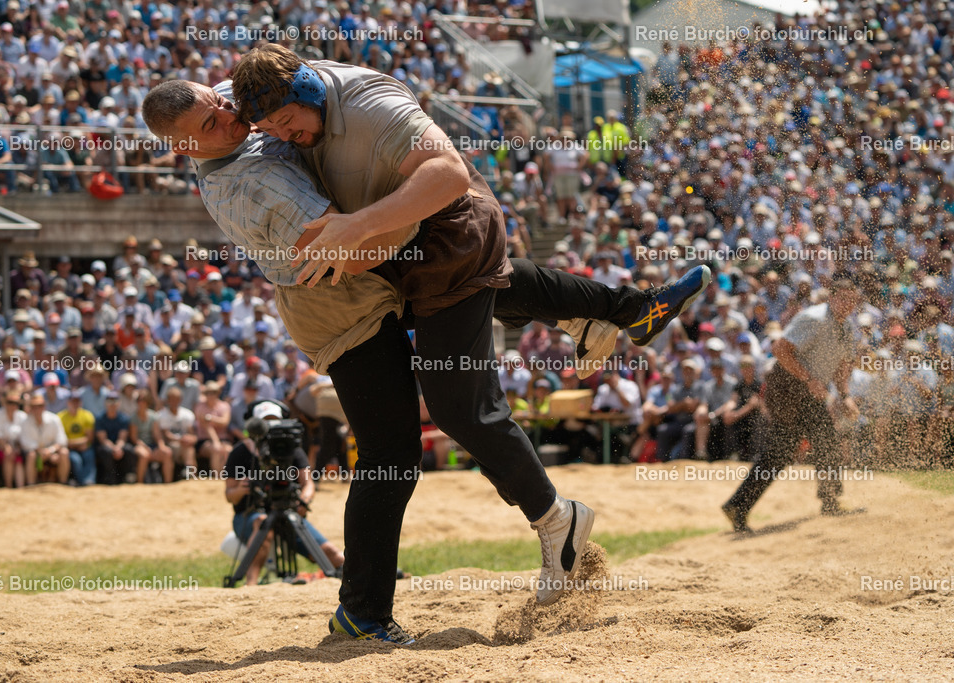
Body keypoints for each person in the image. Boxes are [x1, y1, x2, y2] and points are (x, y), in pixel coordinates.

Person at [141, 73, 708, 643]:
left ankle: (618, 314)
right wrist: (420, 212)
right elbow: (350, 254)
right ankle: (364, 609)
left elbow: (271, 77)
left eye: (220, 102)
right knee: (392, 447)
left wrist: (416, 214)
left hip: (369, 277)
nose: (228, 114)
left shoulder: (237, 102)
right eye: (210, 123)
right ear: (185, 147)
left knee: (458, 273)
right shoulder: (249, 184)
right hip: (342, 301)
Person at [722, 280, 863, 533]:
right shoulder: (814, 318)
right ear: (832, 298)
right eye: (843, 298)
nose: (847, 304)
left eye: (852, 300)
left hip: (808, 388)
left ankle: (738, 506)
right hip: (788, 386)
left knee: (783, 450)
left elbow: (842, 365)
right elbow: (780, 349)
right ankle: (829, 502)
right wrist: (809, 379)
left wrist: (845, 394)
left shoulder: (846, 329)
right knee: (822, 440)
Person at [223, 400, 344, 586]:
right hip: (251, 515)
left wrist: (303, 501)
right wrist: (240, 490)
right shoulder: (239, 452)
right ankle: (250, 586)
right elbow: (229, 495)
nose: (272, 427)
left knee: (332, 553)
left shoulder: (291, 449)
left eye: (275, 421)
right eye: (266, 422)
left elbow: (308, 483)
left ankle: (368, 578)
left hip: (290, 513)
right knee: (263, 523)